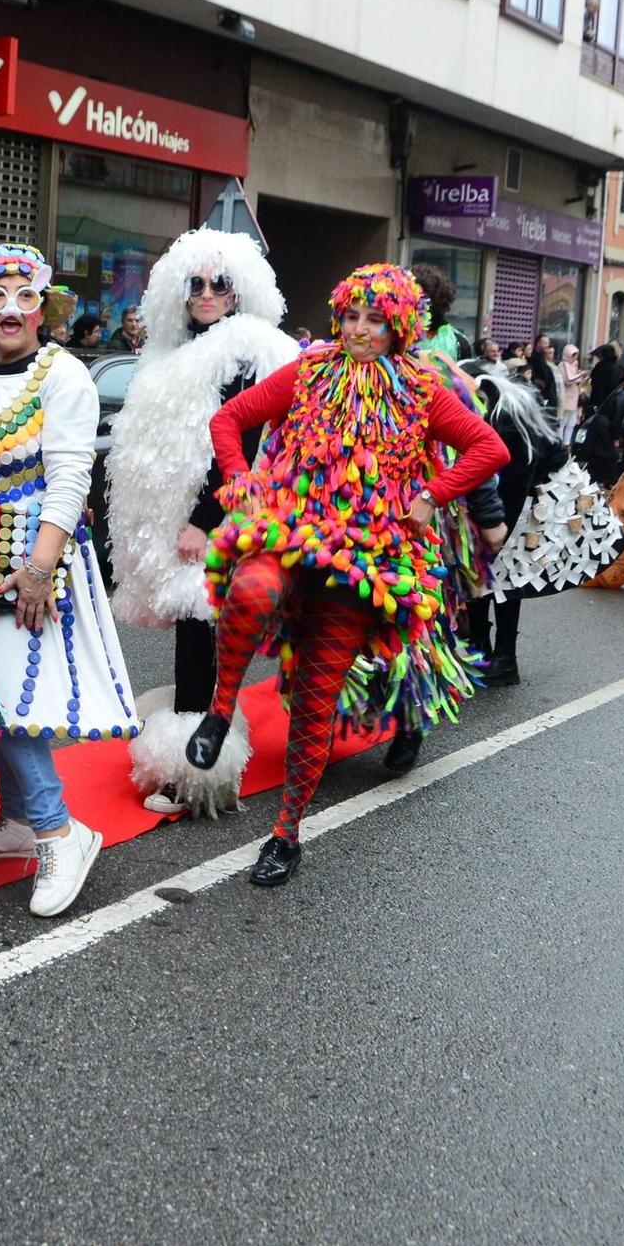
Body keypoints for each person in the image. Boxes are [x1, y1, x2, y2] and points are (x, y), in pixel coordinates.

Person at [185, 264, 507, 887]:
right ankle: (219, 712)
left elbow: (489, 449)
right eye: (353, 317)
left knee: (316, 695)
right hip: (291, 531)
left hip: (369, 560)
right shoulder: (308, 370)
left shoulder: (421, 389)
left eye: (377, 321)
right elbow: (229, 421)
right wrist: (240, 479)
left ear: (401, 327)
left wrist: (431, 495)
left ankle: (286, 834)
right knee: (250, 590)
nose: (361, 330)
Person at [0, 243, 138, 916]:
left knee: (6, 695)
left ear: (45, 307)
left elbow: (68, 481)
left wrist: (37, 570)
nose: (12, 311)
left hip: (36, 558)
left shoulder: (66, 376)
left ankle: (60, 830)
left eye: (26, 298)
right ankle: (19, 820)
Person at [105, 227, 298, 818]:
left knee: (200, 633)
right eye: (197, 283)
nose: (208, 293)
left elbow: (242, 442)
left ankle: (195, 770)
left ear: (240, 292)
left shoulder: (243, 350)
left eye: (220, 284)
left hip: (219, 522)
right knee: (203, 636)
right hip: (177, 525)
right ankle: (204, 736)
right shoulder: (172, 352)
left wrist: (206, 520)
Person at [474, 362, 620, 685]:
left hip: (544, 491)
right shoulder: (485, 411)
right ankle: (478, 645)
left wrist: (498, 531)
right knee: (480, 565)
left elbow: (514, 485)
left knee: (506, 570)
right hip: (515, 485)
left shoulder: (507, 422)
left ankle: (505, 658)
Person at [556, 342, 586, 445]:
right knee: (562, 422)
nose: (575, 358)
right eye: (573, 355)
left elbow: (577, 379)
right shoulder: (563, 365)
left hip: (574, 397)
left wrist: (580, 375)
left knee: (571, 422)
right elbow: (569, 379)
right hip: (566, 397)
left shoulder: (572, 365)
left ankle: (567, 443)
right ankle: (560, 442)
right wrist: (580, 375)